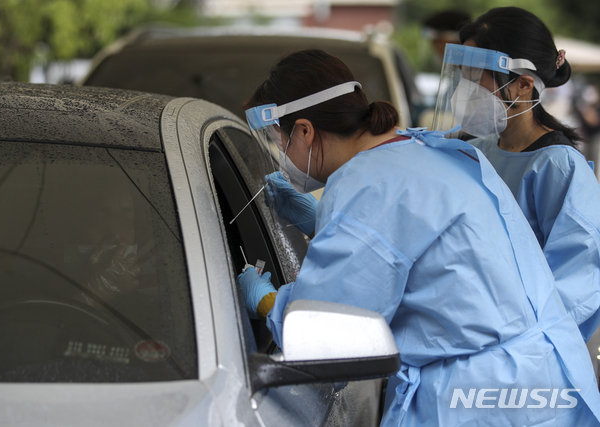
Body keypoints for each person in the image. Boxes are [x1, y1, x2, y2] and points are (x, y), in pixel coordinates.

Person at [238, 48, 600, 426]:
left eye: (279, 139)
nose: (281, 152)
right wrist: (323, 223)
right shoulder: (426, 150)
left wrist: (266, 303)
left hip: (484, 401)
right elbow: (412, 247)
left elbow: (330, 337)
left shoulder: (367, 187)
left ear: (305, 130)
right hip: (539, 378)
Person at [433, 6, 600, 342]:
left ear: (523, 85)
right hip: (466, 333)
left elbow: (578, 282)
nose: (464, 89)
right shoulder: (474, 149)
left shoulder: (557, 166)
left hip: (518, 350)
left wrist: (513, 339)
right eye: (462, 75)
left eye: (475, 76)